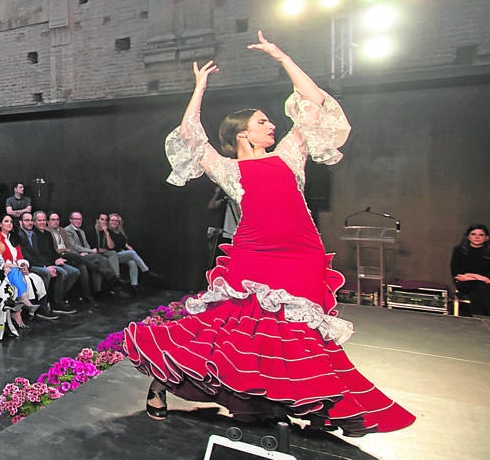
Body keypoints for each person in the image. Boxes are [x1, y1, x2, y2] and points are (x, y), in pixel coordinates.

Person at [127, 31, 414, 435]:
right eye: (262, 121)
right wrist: (199, 88)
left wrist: (283, 58)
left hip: (302, 255)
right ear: (242, 133)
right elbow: (190, 135)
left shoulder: (289, 154)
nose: (272, 125)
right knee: (231, 330)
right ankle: (163, 382)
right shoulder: (230, 170)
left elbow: (313, 103)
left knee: (293, 336)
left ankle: (284, 400)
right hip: (255, 254)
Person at [450, 224, 490, 317]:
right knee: (479, 285)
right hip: (465, 284)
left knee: (476, 291)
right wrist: (479, 277)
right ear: (468, 236)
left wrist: (469, 276)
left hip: (489, 286)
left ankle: (478, 319)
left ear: (486, 238)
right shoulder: (459, 251)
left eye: (481, 235)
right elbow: (457, 274)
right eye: (473, 234)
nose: (477, 237)